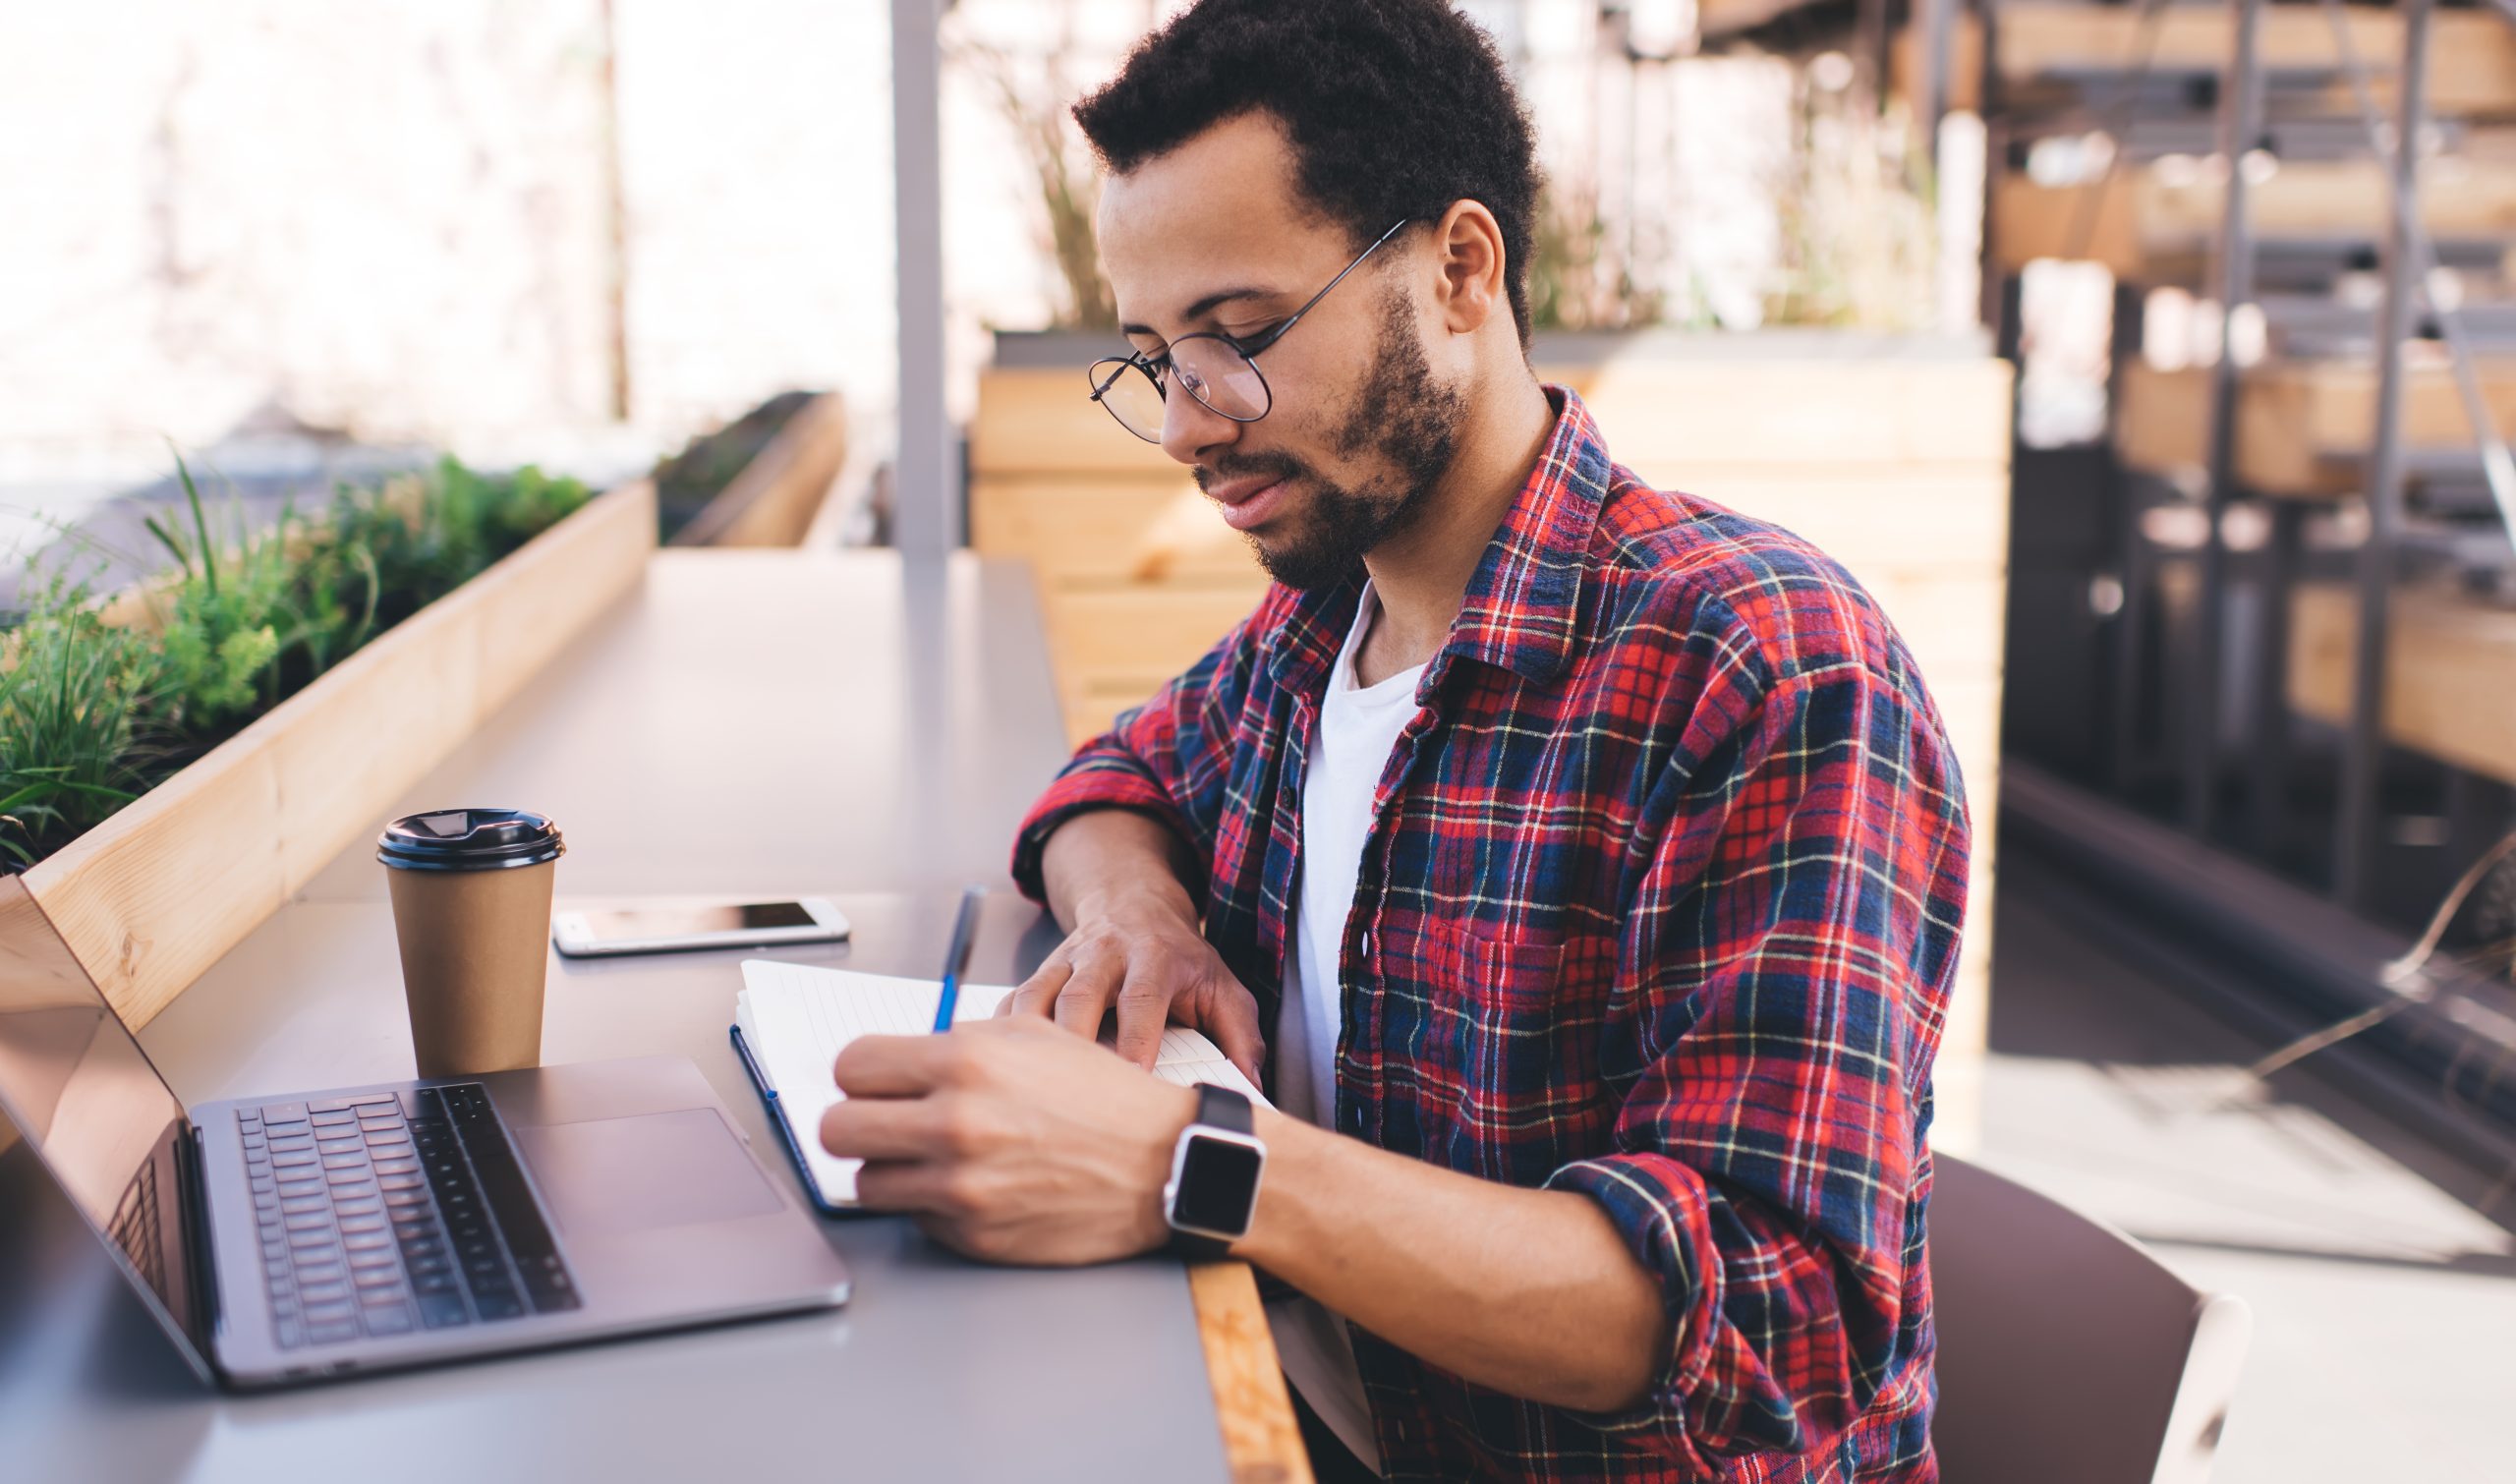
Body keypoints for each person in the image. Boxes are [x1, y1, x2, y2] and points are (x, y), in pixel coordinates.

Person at [817, 2, 1970, 1478]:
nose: (1186, 424)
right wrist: (1137, 913)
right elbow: (1115, 778)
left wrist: (1184, 1161)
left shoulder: (1765, 666)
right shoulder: (1322, 632)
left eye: (1236, 339)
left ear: (1460, 270)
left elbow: (1759, 1325)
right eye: (1155, 357)